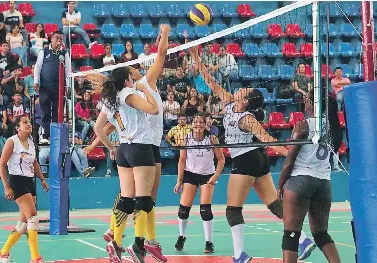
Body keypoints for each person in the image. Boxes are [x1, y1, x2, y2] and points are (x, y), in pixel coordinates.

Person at [190, 46, 316, 263]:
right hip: (257, 160)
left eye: (245, 91)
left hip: (246, 161)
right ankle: (303, 240)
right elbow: (210, 82)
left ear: (246, 101)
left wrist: (292, 156)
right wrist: (195, 56)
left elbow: (268, 139)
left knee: (233, 210)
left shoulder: (247, 118)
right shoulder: (229, 102)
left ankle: (239, 254)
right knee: (275, 205)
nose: (242, 89)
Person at [87, 24, 170, 263]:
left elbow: (105, 126)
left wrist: (107, 147)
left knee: (134, 197)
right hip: (143, 145)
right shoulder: (140, 87)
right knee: (144, 199)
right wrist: (164, 33)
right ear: (128, 78)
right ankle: (139, 244)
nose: (135, 71)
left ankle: (122, 240)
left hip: (128, 146)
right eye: (131, 71)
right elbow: (161, 57)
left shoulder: (116, 97)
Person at [278, 89, 342, 263]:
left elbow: (289, 163)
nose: (303, 102)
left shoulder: (303, 125)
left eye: (306, 99)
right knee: (321, 233)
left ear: (312, 104)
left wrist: (280, 185)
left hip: (301, 180)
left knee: (291, 234)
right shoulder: (333, 127)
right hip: (323, 183)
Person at [0, 115, 49, 263]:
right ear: (18, 127)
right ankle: (35, 257)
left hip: (30, 181)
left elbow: (35, 163)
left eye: (29, 122)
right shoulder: (12, 141)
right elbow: (1, 165)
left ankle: (3, 253)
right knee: (33, 218)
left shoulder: (31, 142)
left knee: (24, 223)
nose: (28, 125)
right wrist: (6, 187)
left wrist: (42, 179)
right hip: (17, 181)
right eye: (25, 123)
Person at [173, 113, 225, 253]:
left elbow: (221, 159)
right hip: (190, 174)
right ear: (192, 124)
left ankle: (209, 242)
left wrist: (216, 175)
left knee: (205, 211)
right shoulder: (187, 138)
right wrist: (179, 181)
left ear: (205, 124)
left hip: (207, 175)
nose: (198, 125)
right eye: (195, 122)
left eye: (201, 122)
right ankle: (181, 236)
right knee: (183, 210)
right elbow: (182, 160)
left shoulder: (211, 138)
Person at [34, 31, 71, 144]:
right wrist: (36, 82)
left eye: (61, 39)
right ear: (51, 39)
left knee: (57, 112)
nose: (59, 41)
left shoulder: (64, 53)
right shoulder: (44, 52)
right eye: (57, 38)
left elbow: (68, 71)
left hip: (59, 89)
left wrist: (68, 86)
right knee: (45, 112)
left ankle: (55, 136)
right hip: (45, 87)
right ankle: (45, 135)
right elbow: (37, 67)